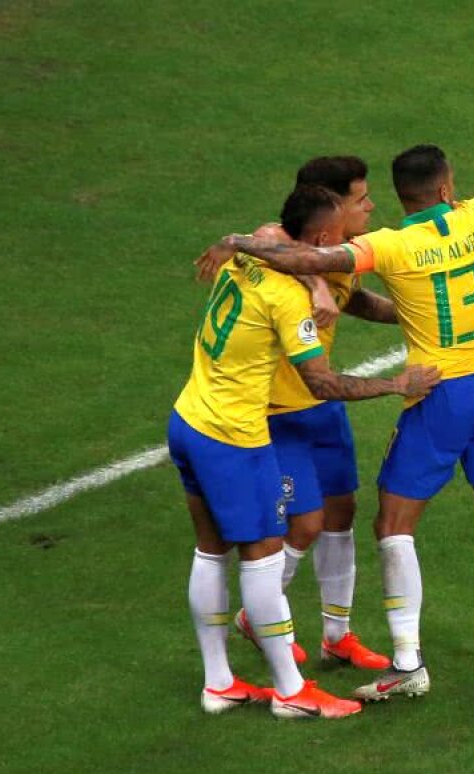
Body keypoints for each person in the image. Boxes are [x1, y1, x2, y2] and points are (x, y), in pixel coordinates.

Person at [195, 71, 474, 694]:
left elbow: (307, 256)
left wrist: (235, 241)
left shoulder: (388, 244)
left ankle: (408, 665)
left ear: (400, 195)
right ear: (446, 185)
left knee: (393, 524)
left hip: (435, 391)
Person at [174, 185, 439, 718]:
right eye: (345, 221)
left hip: (188, 418)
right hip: (235, 435)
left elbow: (262, 238)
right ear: (320, 238)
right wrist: (394, 384)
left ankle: (219, 682)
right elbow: (321, 383)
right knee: (262, 557)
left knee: (210, 550)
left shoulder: (246, 256)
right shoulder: (287, 296)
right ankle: (292, 692)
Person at [234, 156, 398, 671]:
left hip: (322, 410)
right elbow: (264, 238)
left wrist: (415, 314)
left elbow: (357, 300)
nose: (370, 205)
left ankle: (337, 635)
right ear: (329, 208)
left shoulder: (339, 255)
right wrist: (313, 280)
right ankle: (256, 619)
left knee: (340, 515)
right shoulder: (278, 243)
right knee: (302, 526)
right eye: (359, 199)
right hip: (279, 411)